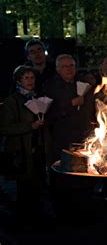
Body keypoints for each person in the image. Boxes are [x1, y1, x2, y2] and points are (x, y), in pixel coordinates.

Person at [0, 65, 52, 225]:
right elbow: (4, 128)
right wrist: (30, 126)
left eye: (32, 78)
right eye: (26, 78)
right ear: (18, 80)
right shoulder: (11, 102)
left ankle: (38, 220)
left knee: (38, 186)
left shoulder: (38, 98)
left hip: (38, 150)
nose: (30, 81)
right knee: (24, 189)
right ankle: (24, 223)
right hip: (22, 152)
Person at [43, 54, 95, 161]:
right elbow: (49, 113)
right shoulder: (50, 87)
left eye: (71, 65)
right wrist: (70, 104)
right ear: (58, 69)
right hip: (62, 137)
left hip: (83, 134)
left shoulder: (83, 84)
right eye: (64, 66)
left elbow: (91, 109)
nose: (69, 69)